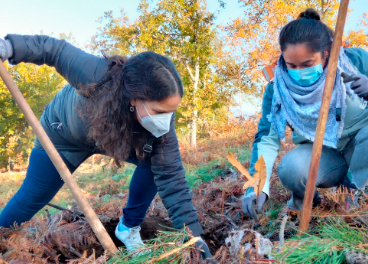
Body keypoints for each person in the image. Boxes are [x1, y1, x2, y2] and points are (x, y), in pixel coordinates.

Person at [0, 34, 212, 258]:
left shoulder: (162, 129)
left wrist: (196, 242)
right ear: (134, 99)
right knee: (31, 197)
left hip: (115, 139)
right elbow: (55, 50)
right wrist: (10, 47)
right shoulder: (97, 75)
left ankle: (128, 228)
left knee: (156, 164)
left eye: (171, 112)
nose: (166, 120)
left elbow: (174, 184)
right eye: (160, 112)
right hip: (63, 135)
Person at [243, 8, 368, 219]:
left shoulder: (357, 61)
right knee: (292, 169)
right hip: (325, 155)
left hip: (362, 147)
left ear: (327, 52)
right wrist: (257, 185)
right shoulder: (277, 89)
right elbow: (267, 139)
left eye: (308, 64)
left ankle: (355, 190)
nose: (299, 72)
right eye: (292, 65)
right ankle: (305, 200)